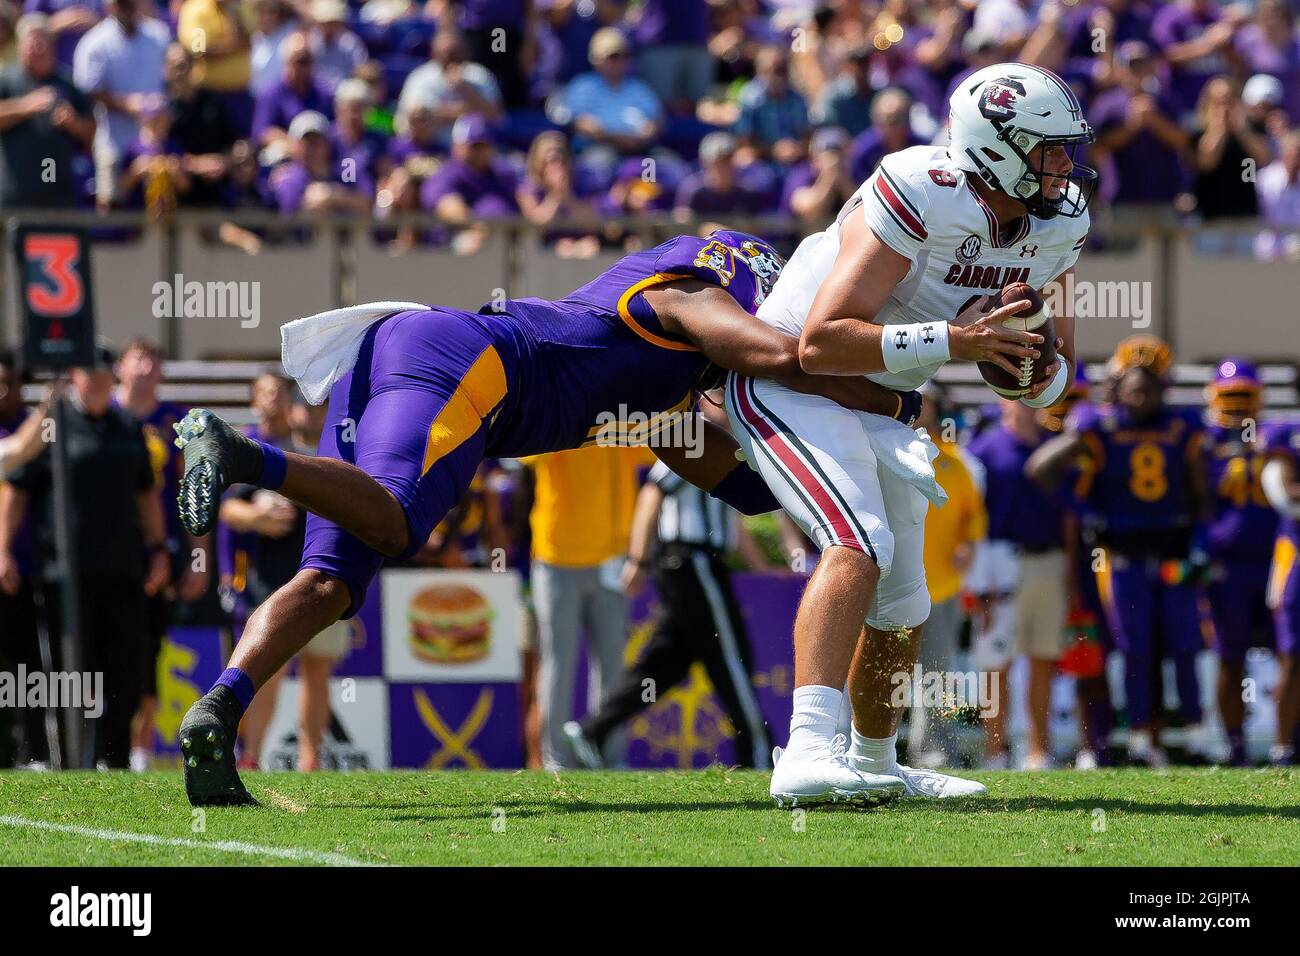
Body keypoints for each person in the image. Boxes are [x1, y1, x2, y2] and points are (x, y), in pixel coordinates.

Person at [170, 228, 922, 805]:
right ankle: (246, 455)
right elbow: (782, 355)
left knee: (331, 581)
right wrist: (893, 398)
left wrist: (841, 465)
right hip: (464, 361)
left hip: (419, 356)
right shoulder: (686, 295)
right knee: (397, 521)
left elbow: (743, 486)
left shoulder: (662, 386)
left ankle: (216, 715)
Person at [723, 62, 1093, 806]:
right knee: (860, 542)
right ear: (995, 146)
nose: (1063, 166)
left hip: (885, 397)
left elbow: (1056, 379)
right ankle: (805, 752)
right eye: (1047, 149)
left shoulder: (1060, 221)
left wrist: (1031, 367)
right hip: (792, 384)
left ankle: (873, 760)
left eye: (1065, 149)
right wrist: (958, 344)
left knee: (906, 599)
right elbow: (819, 342)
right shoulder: (924, 187)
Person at [564, 398, 774, 770]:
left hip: (694, 564)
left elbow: (734, 521)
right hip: (690, 561)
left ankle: (593, 730)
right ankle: (757, 752)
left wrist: (760, 567)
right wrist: (638, 559)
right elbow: (652, 492)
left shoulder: (726, 447)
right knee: (729, 653)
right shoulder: (694, 437)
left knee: (668, 663)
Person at [1028, 336, 1209, 767]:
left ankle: (1197, 735)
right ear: (1117, 388)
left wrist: (1199, 545)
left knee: (1183, 643)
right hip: (1120, 554)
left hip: (1172, 551)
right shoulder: (1100, 427)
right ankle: (1142, 736)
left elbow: (1201, 495)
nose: (1139, 397)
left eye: (1147, 388)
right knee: (1135, 648)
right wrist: (1086, 511)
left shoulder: (1183, 428)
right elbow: (1040, 469)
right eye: (1132, 388)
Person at [0, 343, 170, 768]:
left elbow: (146, 494)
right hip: (64, 574)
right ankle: (72, 760)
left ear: (112, 378)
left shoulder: (127, 427)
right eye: (86, 373)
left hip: (123, 569)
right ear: (73, 378)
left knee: (126, 669)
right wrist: (2, 548)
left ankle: (113, 757)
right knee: (71, 671)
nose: (95, 381)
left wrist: (159, 549)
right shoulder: (52, 427)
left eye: (101, 374)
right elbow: (16, 491)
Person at [222, 374, 348, 771]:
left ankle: (312, 762)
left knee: (317, 669)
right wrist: (256, 516)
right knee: (268, 670)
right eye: (305, 405)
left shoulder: (332, 454)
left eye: (317, 406)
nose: (310, 412)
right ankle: (252, 757)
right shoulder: (261, 452)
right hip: (272, 581)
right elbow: (227, 510)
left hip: (323, 578)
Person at [114, 338, 210, 772]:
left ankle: (139, 749)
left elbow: (199, 491)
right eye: (139, 357)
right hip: (101, 548)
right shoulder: (97, 416)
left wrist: (198, 557)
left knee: (147, 647)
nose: (148, 366)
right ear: (120, 367)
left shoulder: (178, 422)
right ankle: (96, 744)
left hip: (160, 552)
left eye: (155, 359)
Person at [525, 443, 650, 769]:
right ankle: (556, 761)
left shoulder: (620, 415)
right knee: (557, 663)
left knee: (612, 665)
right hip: (556, 558)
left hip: (612, 559)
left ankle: (608, 756)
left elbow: (657, 446)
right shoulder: (559, 412)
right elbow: (527, 453)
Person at [967, 398, 1067, 770]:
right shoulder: (984, 449)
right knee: (997, 662)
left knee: (1043, 656)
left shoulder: (1052, 443)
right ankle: (995, 751)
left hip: (1047, 558)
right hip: (998, 561)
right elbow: (971, 519)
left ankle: (1039, 750)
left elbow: (1068, 513)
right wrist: (979, 582)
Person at [1197, 359, 1276, 766]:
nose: (1238, 405)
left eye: (1244, 396)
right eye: (1230, 396)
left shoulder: (1276, 438)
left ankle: (1287, 741)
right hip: (1226, 565)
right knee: (1230, 655)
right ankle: (1234, 743)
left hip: (1273, 561)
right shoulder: (1203, 443)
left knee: (1289, 653)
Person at [905, 383, 984, 768]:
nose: (920, 407)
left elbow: (973, 515)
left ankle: (931, 752)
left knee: (935, 673)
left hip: (939, 584)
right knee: (875, 666)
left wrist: (968, 545)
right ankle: (865, 748)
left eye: (927, 402)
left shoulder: (953, 459)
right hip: (890, 583)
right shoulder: (882, 446)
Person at [71, 0, 169, 205]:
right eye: (121, 3)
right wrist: (128, 104)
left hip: (156, 138)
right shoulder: (95, 41)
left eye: (130, 2)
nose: (127, 7)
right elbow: (89, 90)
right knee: (110, 202)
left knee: (160, 203)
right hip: (113, 138)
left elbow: (172, 77)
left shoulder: (159, 35)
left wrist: (160, 104)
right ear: (110, 6)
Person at [0, 13, 93, 209]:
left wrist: (73, 123)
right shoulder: (6, 79)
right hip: (15, 195)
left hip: (57, 195)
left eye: (44, 43)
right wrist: (26, 106)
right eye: (33, 43)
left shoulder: (67, 83)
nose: (39, 49)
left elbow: (91, 130)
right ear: (20, 47)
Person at [1260, 409, 1300, 765]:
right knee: (1292, 657)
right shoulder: (1285, 431)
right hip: (1295, 559)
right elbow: (1286, 491)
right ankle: (1282, 745)